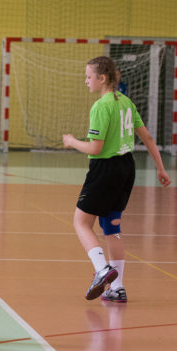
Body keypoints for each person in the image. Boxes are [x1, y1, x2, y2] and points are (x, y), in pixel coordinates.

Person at [62, 56, 171, 302]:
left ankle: (102, 269)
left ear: (102, 78)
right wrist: (161, 169)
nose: (86, 81)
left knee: (81, 222)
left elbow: (96, 148)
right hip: (126, 168)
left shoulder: (101, 106)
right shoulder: (126, 102)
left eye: (89, 77)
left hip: (105, 169)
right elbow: (147, 138)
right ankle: (117, 288)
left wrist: (72, 142)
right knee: (112, 228)